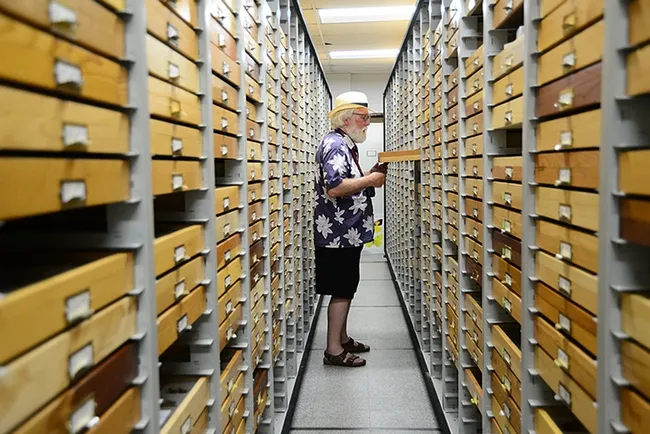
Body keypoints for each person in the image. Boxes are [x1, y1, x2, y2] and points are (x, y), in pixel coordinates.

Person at [313, 91, 387, 367]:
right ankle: (333, 350)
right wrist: (370, 180)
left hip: (345, 232)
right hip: (337, 234)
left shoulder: (344, 143)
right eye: (363, 117)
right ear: (346, 119)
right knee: (342, 289)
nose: (367, 122)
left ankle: (342, 338)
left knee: (346, 287)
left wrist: (368, 175)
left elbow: (344, 179)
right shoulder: (335, 145)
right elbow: (335, 187)